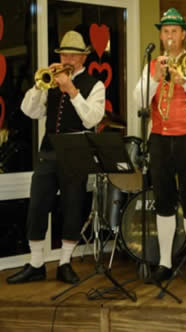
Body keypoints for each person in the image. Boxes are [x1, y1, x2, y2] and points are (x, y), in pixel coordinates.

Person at [7, 30, 105, 284]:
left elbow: (92, 118)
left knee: (72, 206)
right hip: (49, 150)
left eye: (73, 55)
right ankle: (37, 263)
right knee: (38, 205)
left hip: (76, 151)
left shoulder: (95, 85)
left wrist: (71, 90)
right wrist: (40, 85)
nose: (67, 59)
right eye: (64, 54)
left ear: (83, 58)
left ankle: (64, 263)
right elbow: (30, 111)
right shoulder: (50, 82)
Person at [134, 8, 186, 285]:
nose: (169, 37)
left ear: (183, 34)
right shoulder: (153, 65)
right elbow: (139, 101)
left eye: (174, 32)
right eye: (165, 32)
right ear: (161, 35)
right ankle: (165, 262)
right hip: (159, 138)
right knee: (164, 201)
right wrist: (155, 78)